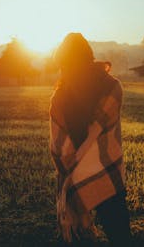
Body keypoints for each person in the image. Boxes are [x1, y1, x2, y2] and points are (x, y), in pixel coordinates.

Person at [49, 33, 131, 246]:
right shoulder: (112, 87)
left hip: (76, 179)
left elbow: (58, 148)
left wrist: (71, 173)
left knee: (77, 238)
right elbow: (102, 125)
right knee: (120, 235)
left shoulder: (58, 98)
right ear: (89, 56)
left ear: (63, 63)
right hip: (106, 172)